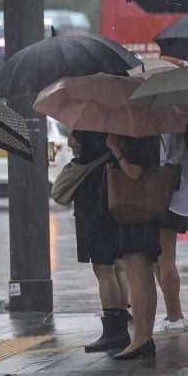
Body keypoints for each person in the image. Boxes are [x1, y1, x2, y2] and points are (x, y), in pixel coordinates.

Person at [68, 131, 130, 353]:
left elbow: (73, 142)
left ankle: (114, 332)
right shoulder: (115, 119)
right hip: (113, 195)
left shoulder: (90, 121)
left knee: (103, 268)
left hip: (95, 200)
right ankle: (121, 325)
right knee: (116, 266)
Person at [105, 132, 163, 360]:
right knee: (145, 278)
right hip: (144, 210)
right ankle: (145, 337)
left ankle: (140, 338)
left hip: (134, 212)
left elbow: (134, 172)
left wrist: (115, 150)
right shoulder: (149, 132)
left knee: (137, 278)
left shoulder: (140, 136)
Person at [153, 131, 188, 334]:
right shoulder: (177, 119)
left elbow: (162, 156)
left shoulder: (170, 122)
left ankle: (174, 316)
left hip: (166, 194)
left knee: (164, 259)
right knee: (158, 261)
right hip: (171, 193)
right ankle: (175, 312)